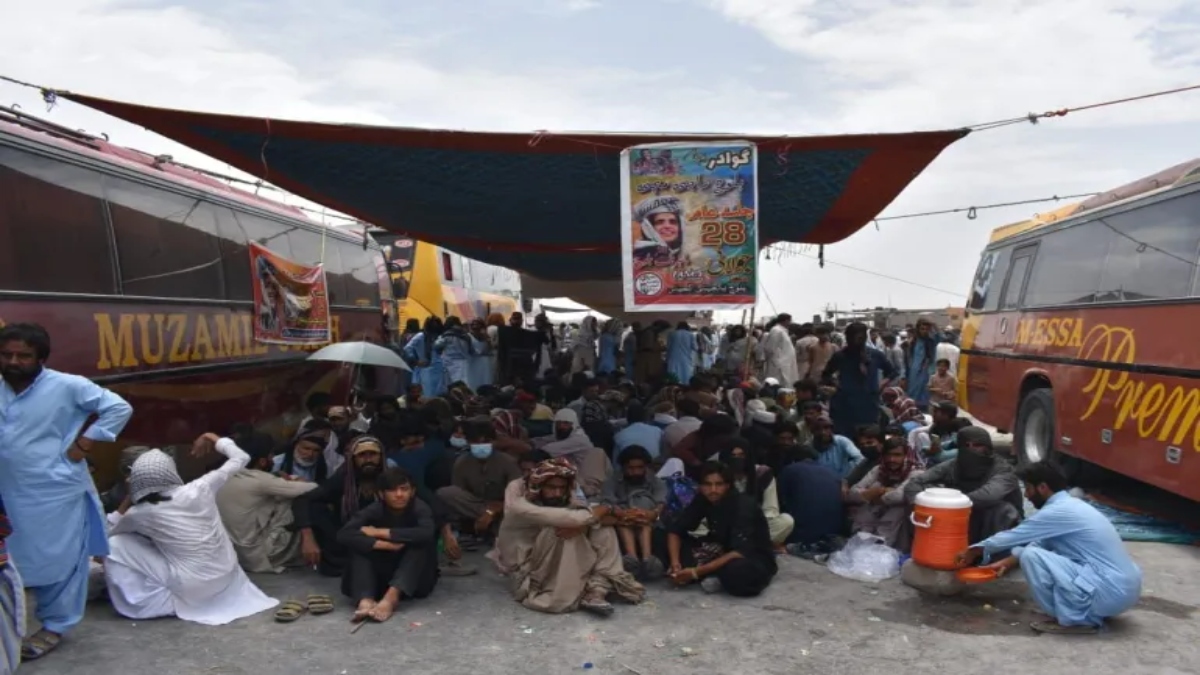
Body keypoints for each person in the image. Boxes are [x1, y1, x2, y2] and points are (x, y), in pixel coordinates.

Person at [0, 323, 133, 661]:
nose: (13, 362)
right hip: (6, 489)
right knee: (12, 556)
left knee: (59, 558)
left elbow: (118, 407)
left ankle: (55, 625)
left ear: (41, 358)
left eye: (23, 356)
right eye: (6, 354)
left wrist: (86, 442)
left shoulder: (67, 385)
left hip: (53, 490)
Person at [105, 434, 279, 625]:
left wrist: (130, 496)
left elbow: (106, 536)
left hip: (194, 586)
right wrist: (210, 436)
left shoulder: (139, 513)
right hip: (228, 576)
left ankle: (152, 602)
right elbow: (241, 457)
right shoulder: (200, 488)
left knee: (115, 544)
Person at [956, 461, 1142, 635]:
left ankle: (1075, 620)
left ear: (1043, 487)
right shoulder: (1071, 505)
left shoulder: (1057, 511)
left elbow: (1014, 536)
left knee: (1031, 556)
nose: (1026, 496)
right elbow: (1042, 542)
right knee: (1033, 552)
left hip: (1109, 592)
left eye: (1028, 489)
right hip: (1123, 590)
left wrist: (975, 550)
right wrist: (1008, 562)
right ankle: (1085, 610)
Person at [496, 458, 645, 615]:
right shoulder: (521, 507)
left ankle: (597, 591)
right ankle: (569, 592)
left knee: (602, 528)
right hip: (530, 574)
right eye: (551, 487)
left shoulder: (563, 503)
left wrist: (597, 519)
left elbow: (600, 518)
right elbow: (579, 518)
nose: (557, 493)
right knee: (564, 529)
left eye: (562, 488)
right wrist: (605, 510)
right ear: (539, 487)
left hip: (553, 562)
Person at [338, 467, 440, 623]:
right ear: (381, 494)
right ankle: (365, 600)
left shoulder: (419, 508)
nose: (399, 495)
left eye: (404, 489)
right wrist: (381, 544)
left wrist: (380, 532)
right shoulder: (375, 509)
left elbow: (426, 532)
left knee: (420, 544)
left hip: (412, 579)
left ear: (412, 491)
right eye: (392, 490)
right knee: (359, 545)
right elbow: (344, 534)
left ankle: (390, 599)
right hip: (380, 577)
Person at [664, 461, 777, 597]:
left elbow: (741, 551)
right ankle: (705, 573)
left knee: (739, 574)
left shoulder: (742, 505)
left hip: (750, 556)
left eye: (718, 484)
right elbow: (676, 530)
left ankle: (713, 575)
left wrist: (696, 572)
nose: (713, 490)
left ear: (727, 485)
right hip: (719, 549)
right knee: (661, 538)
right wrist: (675, 564)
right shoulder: (703, 498)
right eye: (707, 484)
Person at [903, 426, 1023, 541]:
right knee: (923, 497)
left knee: (1002, 510)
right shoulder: (952, 465)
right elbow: (915, 483)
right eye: (966, 446)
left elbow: (988, 496)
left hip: (994, 525)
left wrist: (945, 504)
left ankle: (994, 554)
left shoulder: (1004, 470)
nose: (972, 449)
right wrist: (924, 505)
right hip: (962, 518)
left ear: (988, 447)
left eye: (978, 445)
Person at [216, 441, 320, 573]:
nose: (273, 460)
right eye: (271, 456)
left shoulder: (224, 476)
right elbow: (309, 488)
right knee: (294, 499)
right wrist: (301, 481)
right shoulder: (260, 480)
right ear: (262, 461)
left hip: (237, 554)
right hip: (262, 556)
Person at [436, 419, 522, 537]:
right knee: (445, 493)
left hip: (504, 506)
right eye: (476, 442)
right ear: (468, 442)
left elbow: (517, 495)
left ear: (493, 441)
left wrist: (492, 511)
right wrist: (484, 512)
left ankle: (493, 525)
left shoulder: (508, 462)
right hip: (477, 505)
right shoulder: (461, 463)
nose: (481, 446)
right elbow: (461, 494)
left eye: (485, 442)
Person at [821, 322, 898, 439]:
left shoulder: (875, 355)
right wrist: (837, 386)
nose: (857, 341)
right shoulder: (840, 356)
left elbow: (892, 372)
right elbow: (826, 375)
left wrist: (880, 385)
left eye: (860, 337)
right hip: (844, 405)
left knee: (868, 437)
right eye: (853, 337)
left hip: (868, 403)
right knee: (845, 437)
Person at [601, 445, 667, 580]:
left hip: (649, 519)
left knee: (642, 504)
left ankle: (647, 560)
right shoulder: (612, 481)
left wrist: (649, 514)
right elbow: (608, 503)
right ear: (623, 468)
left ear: (646, 467)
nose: (635, 472)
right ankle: (632, 560)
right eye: (631, 468)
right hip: (622, 519)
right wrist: (624, 514)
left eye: (639, 468)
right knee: (624, 520)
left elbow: (660, 504)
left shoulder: (656, 482)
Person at [715, 437, 794, 546]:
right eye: (733, 456)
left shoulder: (762, 474)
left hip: (755, 525)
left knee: (786, 521)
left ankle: (746, 545)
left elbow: (771, 510)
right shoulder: (718, 475)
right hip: (726, 525)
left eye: (741, 455)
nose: (737, 460)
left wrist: (753, 522)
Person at [848, 437, 923, 550]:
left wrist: (873, 495)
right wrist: (878, 491)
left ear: (906, 456)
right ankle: (863, 542)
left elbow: (898, 497)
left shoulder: (916, 472)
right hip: (873, 518)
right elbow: (853, 492)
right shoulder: (879, 469)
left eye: (897, 455)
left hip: (899, 525)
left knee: (898, 507)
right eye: (888, 455)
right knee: (874, 488)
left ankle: (884, 546)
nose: (891, 459)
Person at [810, 414, 865, 480]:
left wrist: (847, 474)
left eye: (826, 428)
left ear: (831, 429)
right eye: (818, 429)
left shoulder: (841, 441)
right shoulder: (809, 446)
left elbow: (860, 458)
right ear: (812, 432)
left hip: (843, 480)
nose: (823, 432)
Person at [404, 317, 448, 398]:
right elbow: (407, 348)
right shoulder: (420, 336)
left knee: (439, 394)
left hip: (438, 369)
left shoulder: (439, 337)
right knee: (428, 394)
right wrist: (416, 361)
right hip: (426, 369)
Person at [762, 315, 798, 385]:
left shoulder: (783, 331)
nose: (790, 323)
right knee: (775, 382)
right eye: (789, 321)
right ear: (786, 321)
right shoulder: (776, 330)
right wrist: (777, 361)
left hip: (785, 362)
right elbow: (771, 347)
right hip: (778, 363)